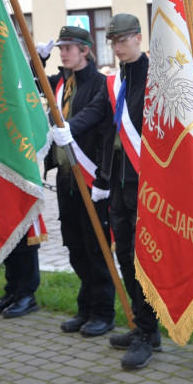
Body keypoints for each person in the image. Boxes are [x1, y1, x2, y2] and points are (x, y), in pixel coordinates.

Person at [57, 13, 161, 370]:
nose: (118, 47)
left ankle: (147, 332)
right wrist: (68, 129)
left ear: (139, 38)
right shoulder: (115, 83)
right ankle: (142, 325)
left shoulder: (156, 77)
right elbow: (98, 113)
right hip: (117, 182)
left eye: (123, 40)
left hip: (148, 185)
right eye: (113, 42)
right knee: (127, 257)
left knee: (144, 260)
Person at [35, 26, 114, 335]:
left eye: (69, 48)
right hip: (67, 179)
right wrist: (37, 61)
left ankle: (103, 312)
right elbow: (29, 85)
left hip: (91, 178)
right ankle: (86, 308)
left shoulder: (100, 84)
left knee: (97, 249)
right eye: (60, 48)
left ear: (85, 51)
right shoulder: (59, 83)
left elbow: (97, 114)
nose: (63, 52)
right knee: (76, 247)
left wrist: (71, 126)